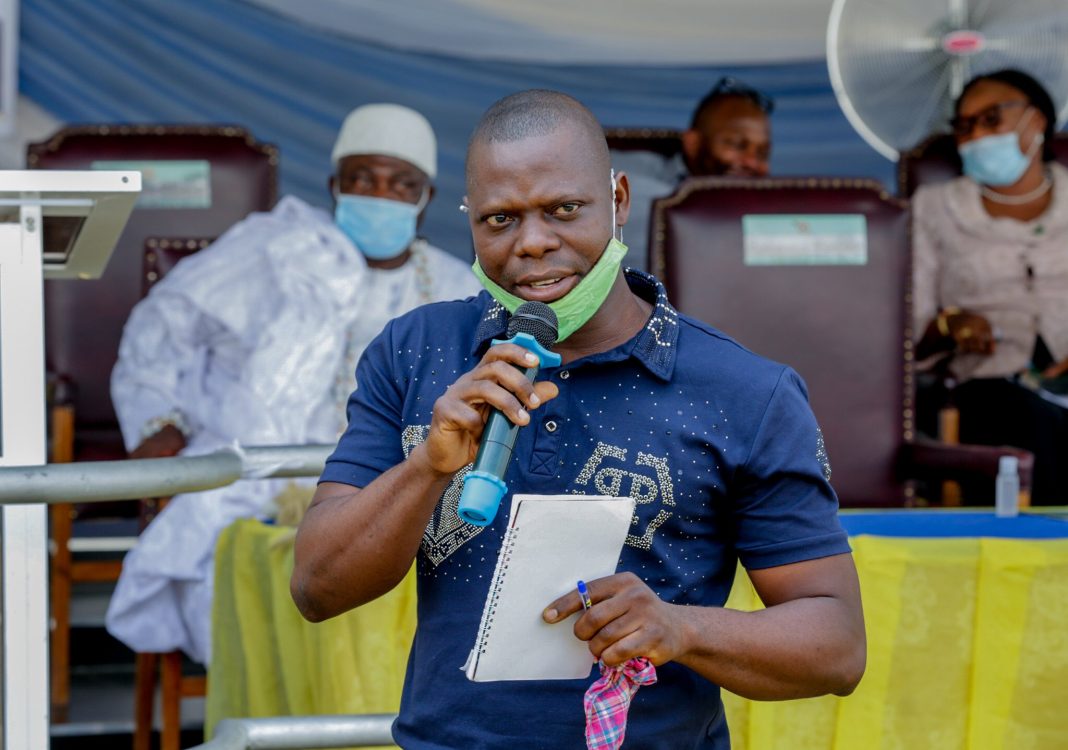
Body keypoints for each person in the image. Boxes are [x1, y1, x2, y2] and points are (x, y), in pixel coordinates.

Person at [292, 89, 864, 748]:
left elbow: (836, 646)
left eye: (564, 209)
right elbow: (317, 589)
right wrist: (428, 467)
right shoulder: (416, 350)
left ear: (619, 200)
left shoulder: (745, 392)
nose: (533, 243)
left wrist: (682, 629)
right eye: (500, 219)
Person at [106, 103, 482, 664]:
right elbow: (161, 328)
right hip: (255, 475)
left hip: (391, 488)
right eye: (363, 179)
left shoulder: (454, 288)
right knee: (243, 572)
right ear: (334, 186)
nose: (380, 195)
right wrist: (157, 419)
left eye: (401, 184)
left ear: (425, 197)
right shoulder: (272, 251)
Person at [912, 69, 1068, 505]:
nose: (977, 136)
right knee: (1025, 421)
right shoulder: (934, 208)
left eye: (991, 119)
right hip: (981, 386)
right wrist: (951, 325)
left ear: (1036, 121)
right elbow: (908, 332)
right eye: (964, 126)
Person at [617, 76, 774, 272]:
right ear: (693, 143)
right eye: (736, 145)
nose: (752, 162)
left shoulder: (770, 215)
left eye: (762, 154)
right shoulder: (635, 179)